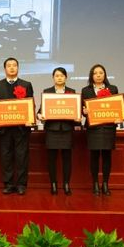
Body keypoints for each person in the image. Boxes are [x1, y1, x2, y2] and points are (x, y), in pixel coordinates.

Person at [0, 57, 33, 195]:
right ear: (4, 69)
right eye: (9, 65)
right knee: (6, 157)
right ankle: (9, 184)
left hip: (21, 129)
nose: (11, 67)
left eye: (14, 65)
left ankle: (21, 184)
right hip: (4, 129)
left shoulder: (26, 84)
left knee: (22, 157)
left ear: (18, 68)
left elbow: (30, 104)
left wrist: (30, 118)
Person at [81, 64, 118, 196]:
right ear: (91, 75)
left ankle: (106, 184)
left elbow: (117, 106)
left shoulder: (112, 89)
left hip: (108, 127)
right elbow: (82, 109)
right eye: (95, 73)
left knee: (107, 156)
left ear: (105, 75)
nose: (98, 75)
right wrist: (84, 111)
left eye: (101, 73)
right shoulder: (86, 90)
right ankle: (95, 183)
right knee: (94, 156)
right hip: (93, 128)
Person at [38, 67, 76, 195]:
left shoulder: (72, 92)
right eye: (57, 76)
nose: (59, 78)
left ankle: (66, 184)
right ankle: (53, 184)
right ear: (53, 78)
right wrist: (40, 116)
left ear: (66, 77)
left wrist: (77, 115)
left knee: (67, 159)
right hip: (52, 130)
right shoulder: (47, 92)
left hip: (66, 129)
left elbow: (75, 110)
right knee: (52, 159)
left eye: (62, 76)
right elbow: (40, 112)